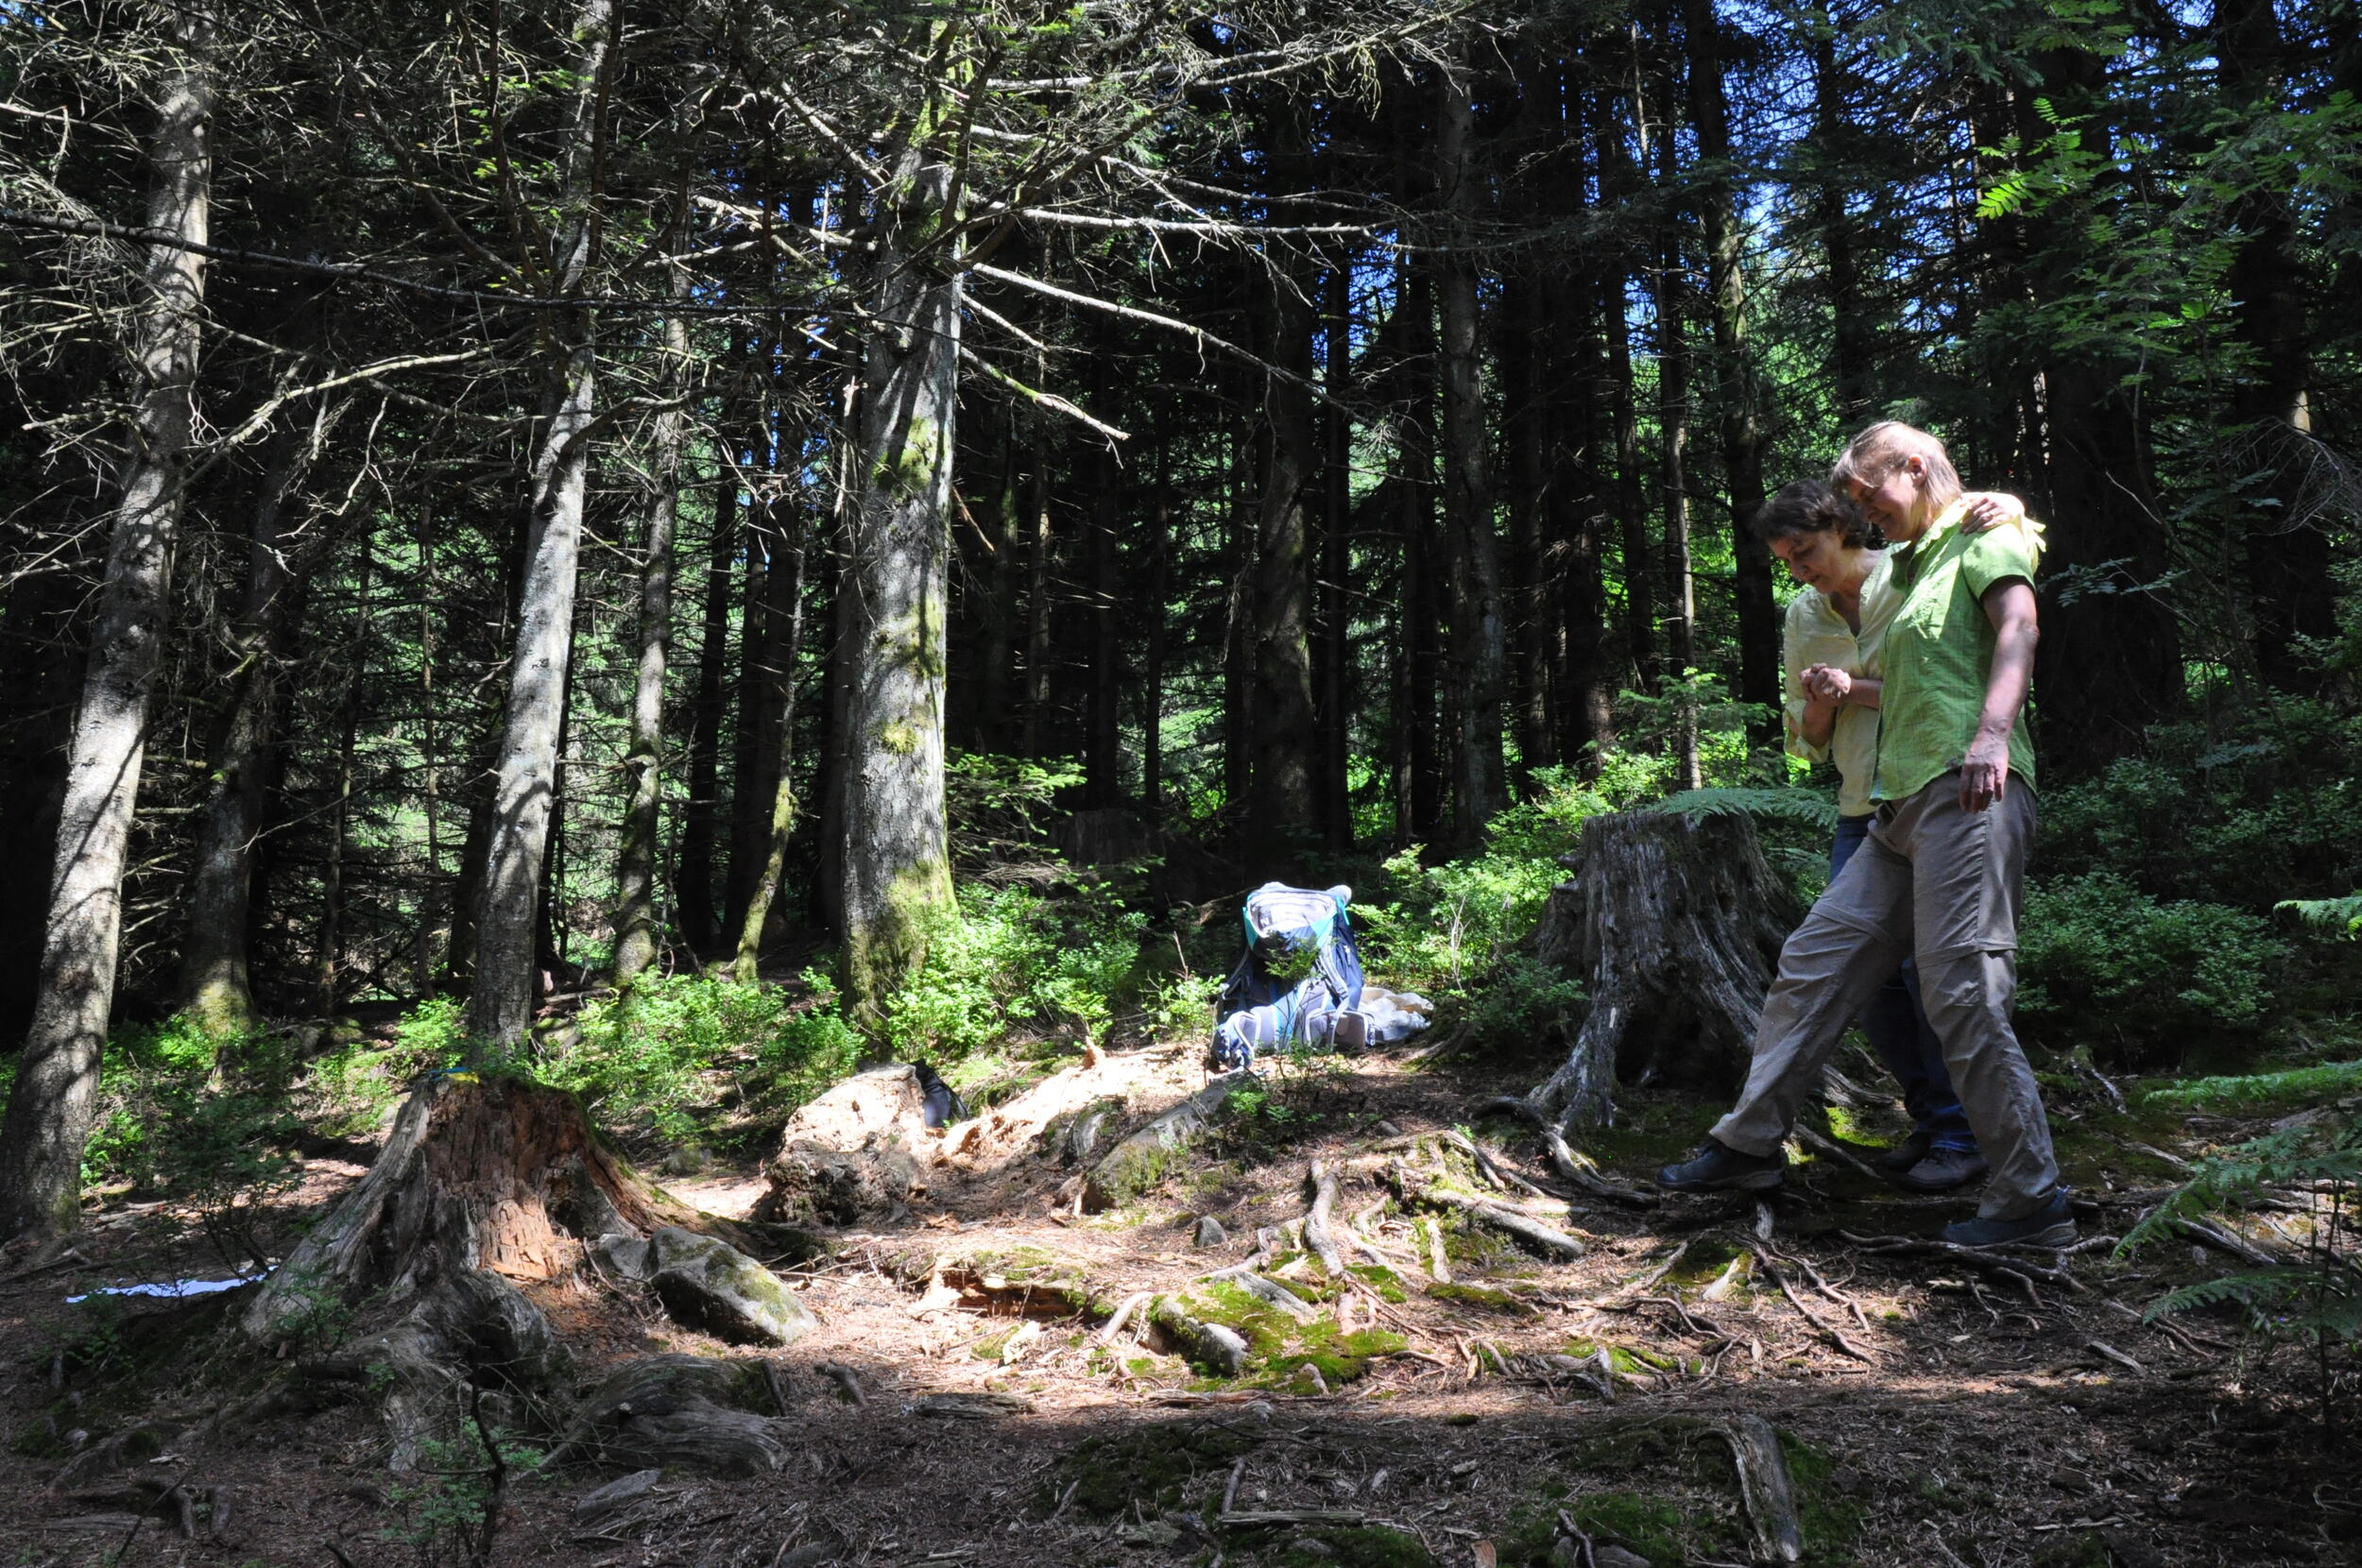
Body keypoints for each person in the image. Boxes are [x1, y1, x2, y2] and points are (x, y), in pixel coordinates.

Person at [1658, 421, 2071, 1250]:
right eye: (1849, 503)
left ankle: (2032, 1201)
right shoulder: (1908, 564)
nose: (1862, 513)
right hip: (1893, 810)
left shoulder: (1983, 535)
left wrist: (1992, 734)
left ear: (1915, 469)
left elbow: (2019, 628)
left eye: (1868, 493)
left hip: (1968, 790)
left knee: (1962, 993)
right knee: (1815, 964)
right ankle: (1746, 1146)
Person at [1761, 479, 2042, 1193]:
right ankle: (1929, 1123)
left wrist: (2003, 502)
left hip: (1938, 785)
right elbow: (1806, 739)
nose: (1800, 571)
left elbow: (1950, 671)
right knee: (1866, 981)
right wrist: (1822, 704)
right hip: (1864, 803)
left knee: (1940, 977)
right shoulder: (1802, 612)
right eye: (1787, 562)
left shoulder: (1908, 574)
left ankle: (1964, 1137)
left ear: (1843, 529)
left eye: (1806, 552)